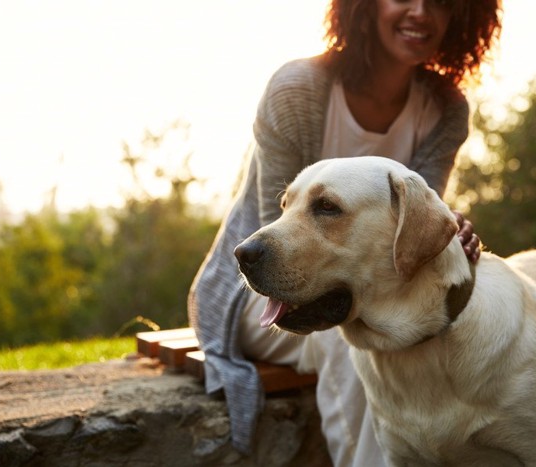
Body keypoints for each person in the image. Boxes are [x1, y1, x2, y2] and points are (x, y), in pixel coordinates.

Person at [188, 0, 501, 463]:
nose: (420, 12)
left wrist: (447, 231)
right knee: (358, 328)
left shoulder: (446, 108)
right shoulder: (297, 89)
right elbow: (271, 230)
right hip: (263, 288)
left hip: (383, 284)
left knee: (457, 317)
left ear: (464, 16)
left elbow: (415, 237)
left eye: (439, 1)